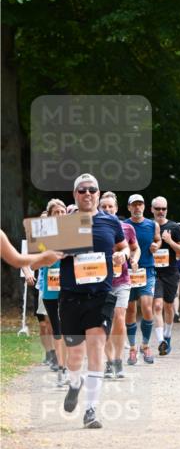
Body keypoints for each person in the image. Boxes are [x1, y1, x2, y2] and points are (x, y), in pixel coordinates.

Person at [58, 174, 127, 429]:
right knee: (75, 356)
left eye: (92, 189)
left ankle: (91, 410)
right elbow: (44, 252)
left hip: (100, 294)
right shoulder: (65, 224)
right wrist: (57, 252)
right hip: (71, 295)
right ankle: (75, 382)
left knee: (96, 348)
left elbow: (124, 247)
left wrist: (122, 255)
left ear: (98, 193)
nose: (87, 193)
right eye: (82, 190)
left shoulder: (111, 221)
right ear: (75, 194)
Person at [99, 192, 140, 379]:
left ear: (116, 209)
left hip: (122, 280)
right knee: (103, 323)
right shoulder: (94, 227)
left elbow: (135, 248)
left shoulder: (127, 228)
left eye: (110, 206)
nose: (108, 209)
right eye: (104, 207)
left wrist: (131, 258)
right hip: (100, 282)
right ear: (99, 209)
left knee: (119, 317)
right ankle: (109, 362)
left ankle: (118, 360)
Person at [125, 193, 161, 365]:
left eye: (140, 204)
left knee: (147, 308)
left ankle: (145, 345)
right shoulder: (124, 226)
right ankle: (132, 348)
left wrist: (156, 246)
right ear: (129, 207)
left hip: (147, 270)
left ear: (144, 207)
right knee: (130, 310)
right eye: (134, 205)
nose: (137, 207)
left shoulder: (152, 225)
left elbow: (158, 240)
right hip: (128, 271)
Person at [38, 199, 68, 386]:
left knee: (69, 328)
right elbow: (39, 258)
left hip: (70, 288)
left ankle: (68, 366)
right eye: (56, 212)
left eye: (63, 212)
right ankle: (61, 368)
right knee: (57, 329)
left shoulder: (73, 234)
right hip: (50, 288)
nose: (60, 215)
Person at [151, 196, 180, 355]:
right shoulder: (148, 226)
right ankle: (161, 342)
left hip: (170, 272)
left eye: (163, 208)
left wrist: (170, 241)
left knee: (168, 306)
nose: (161, 211)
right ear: (152, 209)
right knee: (157, 306)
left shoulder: (174, 227)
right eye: (157, 208)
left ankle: (168, 336)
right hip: (154, 272)